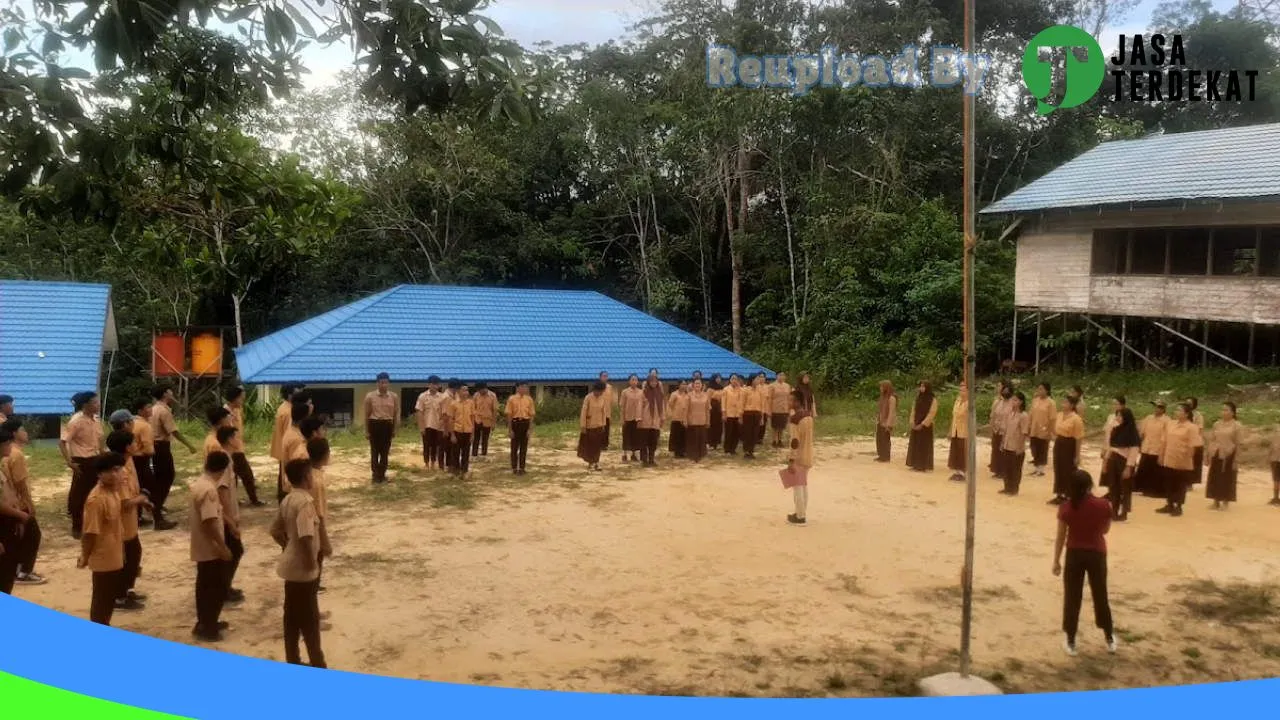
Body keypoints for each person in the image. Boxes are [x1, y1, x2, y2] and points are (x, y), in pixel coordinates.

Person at [1052, 469, 1116, 657]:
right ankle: (1109, 637)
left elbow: (1060, 537)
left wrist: (1056, 560)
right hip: (1096, 553)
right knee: (1100, 595)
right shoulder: (1104, 505)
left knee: (1072, 597)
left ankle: (1071, 639)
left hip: (1074, 553)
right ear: (1090, 485)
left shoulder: (1066, 508)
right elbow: (1105, 530)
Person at [271, 458, 328, 668]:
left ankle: (293, 659)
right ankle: (317, 663)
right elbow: (306, 537)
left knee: (291, 619)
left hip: (290, 568)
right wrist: (310, 562)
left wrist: (288, 547)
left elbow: (275, 530)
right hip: (303, 571)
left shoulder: (288, 499)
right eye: (310, 475)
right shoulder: (305, 503)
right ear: (306, 478)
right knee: (310, 621)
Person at [78, 453, 128, 626]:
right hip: (103, 557)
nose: (115, 475)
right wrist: (85, 556)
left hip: (114, 555)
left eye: (117, 470)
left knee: (108, 597)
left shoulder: (113, 492)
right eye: (109, 471)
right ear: (99, 474)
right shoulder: (96, 500)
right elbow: (90, 533)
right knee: (102, 599)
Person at [105, 428, 151, 608]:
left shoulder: (128, 461)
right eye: (132, 442)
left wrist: (141, 500)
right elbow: (124, 503)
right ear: (125, 447)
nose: (136, 445)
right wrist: (142, 498)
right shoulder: (118, 471)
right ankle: (119, 596)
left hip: (130, 521)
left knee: (133, 556)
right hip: (121, 523)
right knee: (126, 559)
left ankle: (127, 590)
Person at [190, 452, 233, 641]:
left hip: (203, 546)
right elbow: (209, 522)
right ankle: (207, 625)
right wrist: (222, 547)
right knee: (214, 588)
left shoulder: (200, 483)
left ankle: (206, 621)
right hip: (210, 549)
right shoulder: (209, 490)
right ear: (223, 470)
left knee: (205, 586)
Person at [1, 419, 43, 585]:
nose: (26, 432)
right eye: (22, 429)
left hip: (11, 505)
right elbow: (19, 484)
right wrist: (27, 506)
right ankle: (23, 571)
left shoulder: (8, 455)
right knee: (31, 534)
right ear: (14, 434)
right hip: (15, 505)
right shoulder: (16, 454)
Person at [150, 385, 196, 527]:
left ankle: (156, 505)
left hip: (154, 446)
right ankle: (157, 513)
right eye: (170, 391)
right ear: (165, 394)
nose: (172, 393)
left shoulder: (153, 409)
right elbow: (173, 431)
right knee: (166, 477)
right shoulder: (163, 411)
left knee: (159, 478)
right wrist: (189, 445)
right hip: (161, 446)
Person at [60, 391, 104, 538]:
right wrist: (69, 462)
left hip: (95, 458)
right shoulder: (76, 421)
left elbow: (99, 439)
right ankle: (77, 526)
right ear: (85, 405)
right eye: (95, 402)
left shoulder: (96, 419)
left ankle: (93, 522)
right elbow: (62, 442)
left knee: (96, 492)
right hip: (82, 461)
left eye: (98, 402)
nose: (98, 405)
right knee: (79, 494)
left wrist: (103, 455)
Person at [214, 426, 246, 604]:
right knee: (234, 550)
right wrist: (229, 518)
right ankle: (223, 589)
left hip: (227, 513)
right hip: (225, 515)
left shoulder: (228, 458)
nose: (238, 439)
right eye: (235, 436)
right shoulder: (224, 460)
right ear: (229, 439)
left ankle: (225, 587)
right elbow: (222, 490)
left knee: (233, 551)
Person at [1157, 403, 1200, 517]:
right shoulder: (1170, 424)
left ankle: (1179, 506)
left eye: (1179, 410)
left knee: (1180, 484)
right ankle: (1169, 504)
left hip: (1182, 460)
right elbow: (1164, 441)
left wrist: (1188, 458)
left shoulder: (1191, 427)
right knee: (1169, 482)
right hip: (1169, 458)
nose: (1176, 412)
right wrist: (1161, 455)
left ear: (1186, 414)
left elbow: (1192, 446)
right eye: (1176, 410)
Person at [0, 427, 28, 593]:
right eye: (8, 443)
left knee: (8, 571)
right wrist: (20, 515)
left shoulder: (2, 465)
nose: (11, 446)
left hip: (8, 520)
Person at [1100, 408, 1141, 521]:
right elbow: (1111, 447)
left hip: (1124, 461)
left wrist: (1128, 467)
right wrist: (1105, 462)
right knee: (1113, 486)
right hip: (1113, 460)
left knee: (1125, 488)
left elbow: (1134, 451)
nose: (1117, 418)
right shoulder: (1115, 430)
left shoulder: (1132, 433)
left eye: (1120, 416)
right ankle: (1114, 510)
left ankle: (1124, 512)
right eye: (1117, 415)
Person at [224, 387, 262, 506]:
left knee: (235, 475)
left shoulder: (237, 410)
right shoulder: (226, 413)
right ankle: (253, 499)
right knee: (246, 475)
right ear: (234, 398)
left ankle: (234, 500)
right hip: (232, 449)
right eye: (240, 398)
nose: (242, 401)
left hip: (238, 446)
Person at [306, 437, 333, 594]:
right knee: (314, 569)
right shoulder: (317, 481)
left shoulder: (309, 474)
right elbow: (319, 514)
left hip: (306, 529)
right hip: (314, 531)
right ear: (325, 455)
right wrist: (326, 542)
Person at [1205, 402, 1244, 511]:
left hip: (1229, 455)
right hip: (1216, 453)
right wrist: (1208, 454)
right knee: (1214, 477)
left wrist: (1237, 459)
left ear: (1232, 412)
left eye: (1226, 410)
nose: (1223, 412)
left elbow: (1239, 443)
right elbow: (1212, 440)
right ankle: (1215, 501)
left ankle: (1225, 501)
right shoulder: (1217, 424)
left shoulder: (1237, 425)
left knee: (1227, 478)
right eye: (1222, 410)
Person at [786, 389, 815, 526]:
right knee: (803, 485)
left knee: (797, 486)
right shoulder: (808, 415)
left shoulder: (795, 418)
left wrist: (791, 460)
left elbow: (794, 441)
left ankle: (800, 516)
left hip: (799, 456)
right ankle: (801, 512)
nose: (789, 402)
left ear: (797, 401)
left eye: (791, 400)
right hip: (809, 454)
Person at [364, 373, 399, 484]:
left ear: (388, 383)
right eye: (382, 382)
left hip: (387, 425)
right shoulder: (370, 396)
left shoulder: (393, 396)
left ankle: (382, 475)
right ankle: (375, 476)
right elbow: (366, 415)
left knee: (385, 452)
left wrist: (394, 429)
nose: (384, 385)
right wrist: (366, 430)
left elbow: (395, 414)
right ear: (377, 383)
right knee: (374, 451)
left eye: (386, 382)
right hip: (375, 424)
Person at [1049, 396, 1085, 505]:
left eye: (1066, 402)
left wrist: (1077, 455)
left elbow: (1079, 437)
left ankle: (1069, 495)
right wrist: (1054, 436)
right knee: (1058, 468)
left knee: (1068, 470)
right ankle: (1059, 493)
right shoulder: (1059, 415)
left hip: (1070, 444)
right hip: (1059, 442)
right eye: (1063, 401)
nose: (1063, 404)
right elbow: (1054, 428)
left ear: (1072, 405)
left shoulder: (1076, 419)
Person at [270, 384, 303, 500]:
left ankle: (282, 498)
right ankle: (285, 500)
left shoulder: (283, 407)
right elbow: (290, 432)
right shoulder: (289, 411)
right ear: (290, 395)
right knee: (287, 477)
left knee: (283, 475)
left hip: (282, 447)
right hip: (287, 448)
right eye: (296, 393)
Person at [129, 400, 156, 522]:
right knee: (146, 485)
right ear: (140, 411)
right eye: (147, 407)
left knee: (135, 486)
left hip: (132, 458)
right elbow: (148, 448)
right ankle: (150, 512)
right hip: (141, 459)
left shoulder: (133, 423)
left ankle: (137, 515)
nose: (150, 409)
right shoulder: (145, 426)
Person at [1135, 401, 1169, 497]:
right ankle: (1143, 488)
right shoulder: (1148, 418)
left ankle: (1156, 491)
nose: (1156, 409)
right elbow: (1142, 432)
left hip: (1158, 448)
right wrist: (1138, 444)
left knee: (1156, 470)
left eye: (1159, 407)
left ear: (1163, 409)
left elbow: (1166, 437)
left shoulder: (1167, 421)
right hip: (1147, 447)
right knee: (1145, 468)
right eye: (1155, 407)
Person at [999, 392, 1031, 496]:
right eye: (1013, 400)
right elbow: (1006, 429)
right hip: (1008, 444)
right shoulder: (1010, 414)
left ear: (1021, 402)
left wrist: (1020, 447)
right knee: (1006, 467)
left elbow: (1023, 433)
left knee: (1015, 468)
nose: (1013, 402)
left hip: (1016, 446)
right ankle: (1007, 487)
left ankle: (1014, 488)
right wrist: (1003, 442)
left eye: (1016, 400)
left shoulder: (1023, 416)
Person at [905, 382, 938, 472]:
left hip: (925, 427)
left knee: (923, 446)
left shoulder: (933, 400)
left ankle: (922, 465)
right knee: (915, 445)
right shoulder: (917, 398)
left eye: (923, 386)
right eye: (921, 386)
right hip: (916, 424)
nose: (921, 388)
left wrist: (922, 424)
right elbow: (913, 410)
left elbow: (932, 413)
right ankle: (915, 464)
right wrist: (912, 422)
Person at [414, 377, 446, 470]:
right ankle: (426, 463)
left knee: (436, 445)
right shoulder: (423, 396)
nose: (434, 386)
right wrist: (421, 427)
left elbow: (444, 412)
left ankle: (433, 462)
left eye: (436, 384)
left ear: (439, 385)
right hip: (427, 424)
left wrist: (443, 425)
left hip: (438, 425)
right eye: (432, 384)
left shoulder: (442, 397)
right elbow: (419, 412)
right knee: (426, 445)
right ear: (428, 385)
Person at [578, 382, 609, 471]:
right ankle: (590, 462)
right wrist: (583, 425)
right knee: (590, 445)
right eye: (600, 391)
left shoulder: (602, 398)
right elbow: (583, 412)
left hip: (599, 425)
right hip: (589, 425)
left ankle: (597, 462)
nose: (600, 393)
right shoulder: (588, 398)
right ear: (595, 389)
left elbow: (604, 412)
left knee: (597, 445)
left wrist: (604, 424)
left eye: (602, 392)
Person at [505, 383, 536, 475]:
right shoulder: (512, 399)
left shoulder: (529, 399)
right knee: (514, 447)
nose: (524, 389)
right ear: (517, 388)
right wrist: (510, 430)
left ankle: (522, 467)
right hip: (515, 423)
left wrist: (530, 429)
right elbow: (509, 415)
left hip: (525, 423)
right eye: (522, 387)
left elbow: (531, 415)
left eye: (525, 387)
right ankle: (514, 467)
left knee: (524, 447)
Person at [448, 385, 476, 476]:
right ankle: (456, 470)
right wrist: (452, 434)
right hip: (457, 431)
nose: (466, 393)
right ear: (458, 392)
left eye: (467, 390)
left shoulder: (471, 403)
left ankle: (464, 470)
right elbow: (451, 420)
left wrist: (472, 434)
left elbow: (472, 419)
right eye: (463, 390)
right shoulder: (453, 404)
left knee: (466, 452)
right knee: (455, 452)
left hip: (467, 431)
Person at [1029, 383, 1055, 477]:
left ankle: (1041, 469)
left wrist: (1050, 432)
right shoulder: (1035, 400)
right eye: (1038, 389)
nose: (1039, 391)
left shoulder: (1051, 402)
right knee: (1034, 447)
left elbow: (1052, 418)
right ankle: (1036, 468)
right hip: (1034, 428)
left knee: (1042, 448)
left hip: (1044, 429)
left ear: (1047, 390)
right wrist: (1029, 426)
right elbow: (1031, 414)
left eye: (1041, 389)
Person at [988, 381, 1013, 479]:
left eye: (1007, 390)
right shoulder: (998, 402)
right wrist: (992, 427)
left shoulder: (1012, 403)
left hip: (1006, 431)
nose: (1005, 392)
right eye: (1004, 390)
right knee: (996, 450)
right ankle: (997, 470)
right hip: (996, 430)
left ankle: (1004, 471)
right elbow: (993, 415)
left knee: (1004, 451)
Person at [639, 373, 665, 467]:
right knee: (644, 442)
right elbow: (639, 407)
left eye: (655, 381)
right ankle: (644, 460)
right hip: (645, 421)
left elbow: (662, 407)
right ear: (648, 382)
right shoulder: (643, 393)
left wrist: (662, 418)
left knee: (653, 442)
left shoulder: (660, 393)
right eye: (652, 381)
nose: (654, 383)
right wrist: (639, 419)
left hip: (656, 421)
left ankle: (651, 459)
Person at [947, 382, 969, 483]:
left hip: (964, 431)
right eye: (960, 389)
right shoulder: (958, 400)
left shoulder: (969, 403)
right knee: (955, 450)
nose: (961, 392)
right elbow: (954, 416)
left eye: (964, 390)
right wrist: (950, 430)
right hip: (955, 429)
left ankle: (963, 472)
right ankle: (956, 471)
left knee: (962, 451)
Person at [741, 374, 767, 460]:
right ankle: (746, 451)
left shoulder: (760, 391)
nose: (758, 381)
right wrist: (740, 416)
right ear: (752, 380)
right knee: (747, 433)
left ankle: (751, 450)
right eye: (756, 379)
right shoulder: (746, 390)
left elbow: (762, 404)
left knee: (755, 433)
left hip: (757, 414)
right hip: (748, 413)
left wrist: (762, 417)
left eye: (759, 379)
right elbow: (742, 404)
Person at [685, 379, 711, 462]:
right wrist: (685, 420)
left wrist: (708, 421)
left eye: (699, 384)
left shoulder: (706, 395)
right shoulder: (689, 395)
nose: (697, 385)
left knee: (701, 439)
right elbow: (685, 409)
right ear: (693, 385)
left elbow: (707, 409)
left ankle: (701, 456)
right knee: (693, 439)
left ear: (702, 385)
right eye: (696, 384)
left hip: (702, 420)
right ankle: (692, 456)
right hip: (692, 421)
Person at [620, 375, 644, 463]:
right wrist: (622, 418)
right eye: (632, 380)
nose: (634, 381)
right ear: (629, 381)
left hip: (637, 418)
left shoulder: (641, 392)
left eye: (636, 380)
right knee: (626, 436)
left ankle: (635, 454)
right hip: (627, 417)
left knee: (637, 436)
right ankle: (626, 454)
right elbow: (622, 406)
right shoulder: (625, 392)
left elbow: (643, 405)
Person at [471, 382, 498, 458]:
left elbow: (495, 410)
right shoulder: (476, 395)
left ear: (484, 388)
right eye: (478, 390)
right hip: (477, 420)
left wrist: (493, 423)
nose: (479, 392)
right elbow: (473, 408)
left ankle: (483, 454)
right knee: (476, 438)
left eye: (480, 390)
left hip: (487, 420)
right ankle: (474, 454)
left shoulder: (493, 396)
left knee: (485, 438)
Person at [768, 372, 793, 449]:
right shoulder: (772, 386)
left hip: (784, 409)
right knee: (775, 426)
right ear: (776, 376)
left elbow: (789, 398)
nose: (782, 377)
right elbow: (769, 398)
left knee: (782, 426)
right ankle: (774, 440)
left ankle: (780, 440)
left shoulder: (787, 386)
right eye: (780, 375)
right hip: (775, 408)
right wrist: (769, 410)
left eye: (783, 375)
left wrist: (789, 409)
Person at [875, 381, 897, 463]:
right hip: (881, 421)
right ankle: (881, 455)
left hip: (887, 422)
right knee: (879, 439)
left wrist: (888, 424)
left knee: (885, 440)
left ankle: (886, 456)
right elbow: (880, 410)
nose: (880, 389)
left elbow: (892, 412)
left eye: (882, 387)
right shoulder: (882, 397)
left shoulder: (892, 398)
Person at [667, 381, 690, 459]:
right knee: (675, 435)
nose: (684, 386)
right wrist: (671, 414)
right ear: (679, 385)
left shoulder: (688, 395)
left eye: (685, 384)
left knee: (684, 435)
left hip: (685, 418)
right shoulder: (674, 394)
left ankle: (683, 451)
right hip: (676, 418)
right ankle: (675, 451)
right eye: (682, 384)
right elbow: (670, 404)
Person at [722, 374, 744, 455]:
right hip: (728, 414)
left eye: (736, 379)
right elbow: (723, 402)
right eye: (733, 379)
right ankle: (727, 449)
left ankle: (733, 449)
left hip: (737, 414)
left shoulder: (741, 390)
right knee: (729, 432)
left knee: (736, 432)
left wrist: (741, 415)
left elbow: (742, 403)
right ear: (730, 380)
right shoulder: (726, 389)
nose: (734, 380)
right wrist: (724, 413)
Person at [1186, 397, 1205, 487]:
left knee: (1193, 462)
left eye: (1190, 403)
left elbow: (1199, 429)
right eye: (1187, 403)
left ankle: (1190, 482)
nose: (1188, 405)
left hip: (1193, 440)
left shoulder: (1198, 415)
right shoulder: (1183, 414)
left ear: (1194, 405)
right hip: (1183, 440)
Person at [599, 372, 617, 453]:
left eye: (606, 376)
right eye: (603, 376)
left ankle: (605, 445)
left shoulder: (610, 387)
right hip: (598, 413)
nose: (605, 377)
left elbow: (612, 400)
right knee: (599, 429)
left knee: (606, 429)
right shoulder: (597, 386)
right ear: (600, 377)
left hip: (607, 412)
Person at [707, 374, 725, 450]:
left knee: (719, 426)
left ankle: (717, 443)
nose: (718, 379)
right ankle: (711, 443)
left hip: (719, 408)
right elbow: (707, 400)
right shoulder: (710, 388)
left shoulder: (722, 388)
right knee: (712, 426)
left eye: (719, 378)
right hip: (712, 409)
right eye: (717, 378)